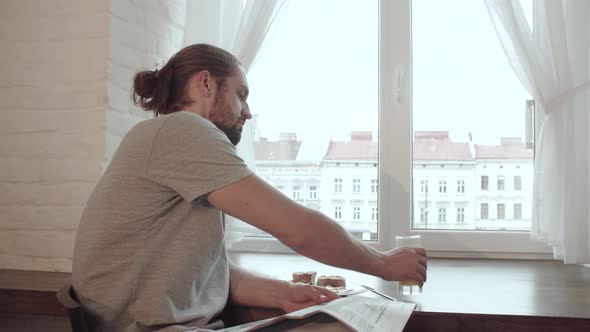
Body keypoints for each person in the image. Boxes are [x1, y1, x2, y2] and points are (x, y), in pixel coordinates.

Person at [72, 43, 427, 331]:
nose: (248, 111)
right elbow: (298, 229)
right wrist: (383, 265)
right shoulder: (183, 131)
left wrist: (286, 294)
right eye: (241, 94)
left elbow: (204, 270)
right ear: (206, 83)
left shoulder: (165, 138)